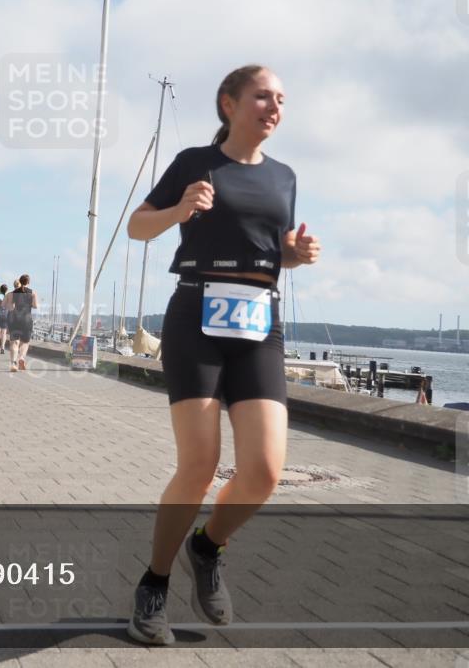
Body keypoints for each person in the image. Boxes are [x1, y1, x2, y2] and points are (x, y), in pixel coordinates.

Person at [124, 65, 320, 644]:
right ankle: (154, 583)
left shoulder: (285, 177)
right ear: (229, 103)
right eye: (263, 95)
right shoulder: (193, 163)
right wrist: (181, 210)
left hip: (260, 321)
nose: (274, 106)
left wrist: (296, 254)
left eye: (281, 98)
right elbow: (138, 227)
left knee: (263, 471)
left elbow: (270, 251)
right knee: (201, 463)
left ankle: (206, 547)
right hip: (196, 316)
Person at [6, 275, 38, 372]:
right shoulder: (33, 293)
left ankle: (13, 363)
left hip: (15, 318)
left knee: (14, 342)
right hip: (27, 319)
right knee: (25, 342)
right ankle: (21, 358)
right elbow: (35, 306)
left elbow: (10, 306)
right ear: (28, 282)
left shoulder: (13, 293)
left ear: (20, 281)